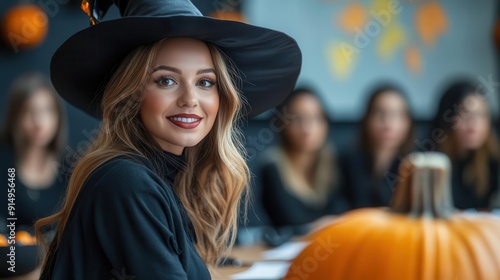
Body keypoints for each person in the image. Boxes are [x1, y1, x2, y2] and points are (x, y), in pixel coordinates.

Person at [35, 0, 301, 279]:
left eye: (205, 82)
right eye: (166, 80)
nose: (190, 99)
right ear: (131, 94)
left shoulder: (161, 180)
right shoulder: (128, 182)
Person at [0, 73, 67, 280]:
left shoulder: (71, 168)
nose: (40, 121)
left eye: (47, 111)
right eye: (30, 112)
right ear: (16, 116)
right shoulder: (4, 163)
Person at [257, 87, 348, 235]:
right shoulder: (272, 165)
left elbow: (348, 213)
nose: (307, 128)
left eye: (315, 118)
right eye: (297, 119)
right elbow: (290, 222)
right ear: (282, 123)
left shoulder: (336, 161)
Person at [341, 83, 415, 209]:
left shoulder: (416, 165)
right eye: (380, 113)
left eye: (396, 115)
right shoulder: (346, 162)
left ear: (408, 122)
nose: (387, 124)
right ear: (367, 119)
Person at [432, 80, 500, 210]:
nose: (474, 124)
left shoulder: (494, 160)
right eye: (465, 114)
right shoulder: (430, 160)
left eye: (481, 115)